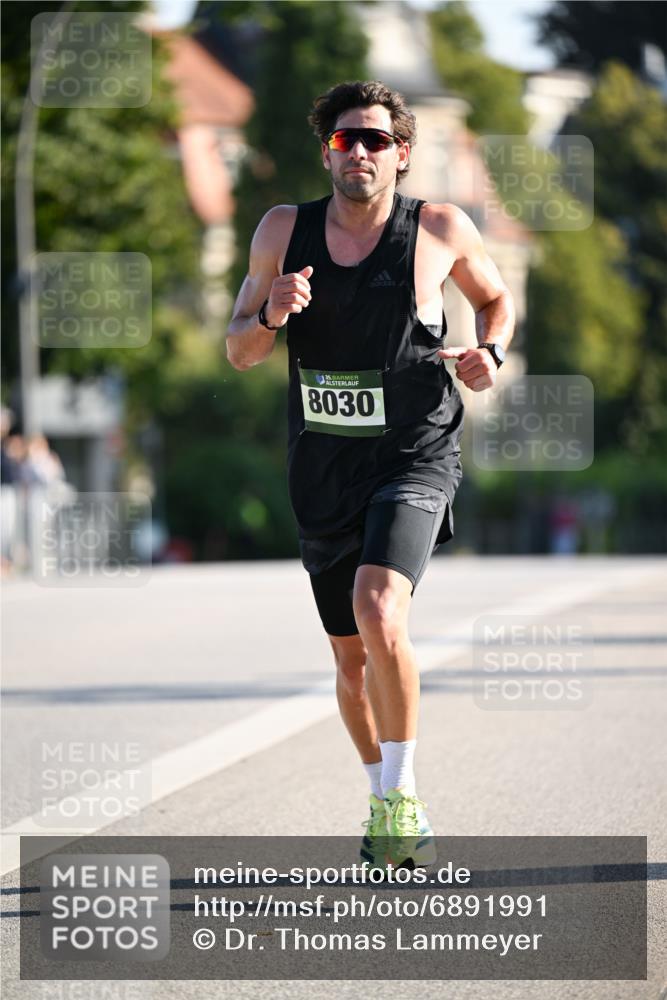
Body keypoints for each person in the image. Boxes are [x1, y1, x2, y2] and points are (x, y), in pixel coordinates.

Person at [226, 81, 515, 868]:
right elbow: (239, 350)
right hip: (321, 466)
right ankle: (380, 793)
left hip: (415, 451)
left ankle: (404, 794)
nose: (359, 151)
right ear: (327, 150)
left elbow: (495, 302)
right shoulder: (283, 231)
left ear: (402, 153)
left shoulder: (438, 228)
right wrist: (271, 315)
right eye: (344, 139)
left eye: (375, 140)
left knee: (380, 606)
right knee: (350, 662)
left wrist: (489, 354)